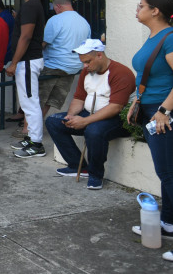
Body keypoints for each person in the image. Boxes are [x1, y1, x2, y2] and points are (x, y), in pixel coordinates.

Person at [127, 0, 173, 262]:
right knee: (168, 171)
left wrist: (163, 110)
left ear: (155, 11)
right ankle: (168, 223)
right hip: (153, 111)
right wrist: (139, 101)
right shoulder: (155, 37)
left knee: (169, 173)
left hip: (167, 114)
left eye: (141, 6)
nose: (137, 9)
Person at [45, 39, 134, 190]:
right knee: (53, 121)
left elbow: (115, 108)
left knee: (94, 130)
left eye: (87, 61)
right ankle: (76, 165)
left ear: (100, 55)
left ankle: (96, 174)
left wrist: (85, 121)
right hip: (90, 113)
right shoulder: (87, 72)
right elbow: (79, 98)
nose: (85, 66)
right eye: (83, 62)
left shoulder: (121, 73)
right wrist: (71, 116)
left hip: (117, 119)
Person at [6, 0, 47, 159]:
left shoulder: (31, 6)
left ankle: (37, 144)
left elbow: (26, 37)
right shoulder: (33, 4)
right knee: (27, 102)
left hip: (28, 61)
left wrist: (14, 63)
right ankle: (31, 138)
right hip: (27, 61)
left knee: (30, 104)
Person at [38, 0, 90, 118]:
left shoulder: (55, 20)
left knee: (37, 100)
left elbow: (43, 43)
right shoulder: (84, 22)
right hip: (74, 68)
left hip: (53, 66)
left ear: (58, 6)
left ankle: (28, 130)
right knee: (50, 100)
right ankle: (36, 126)